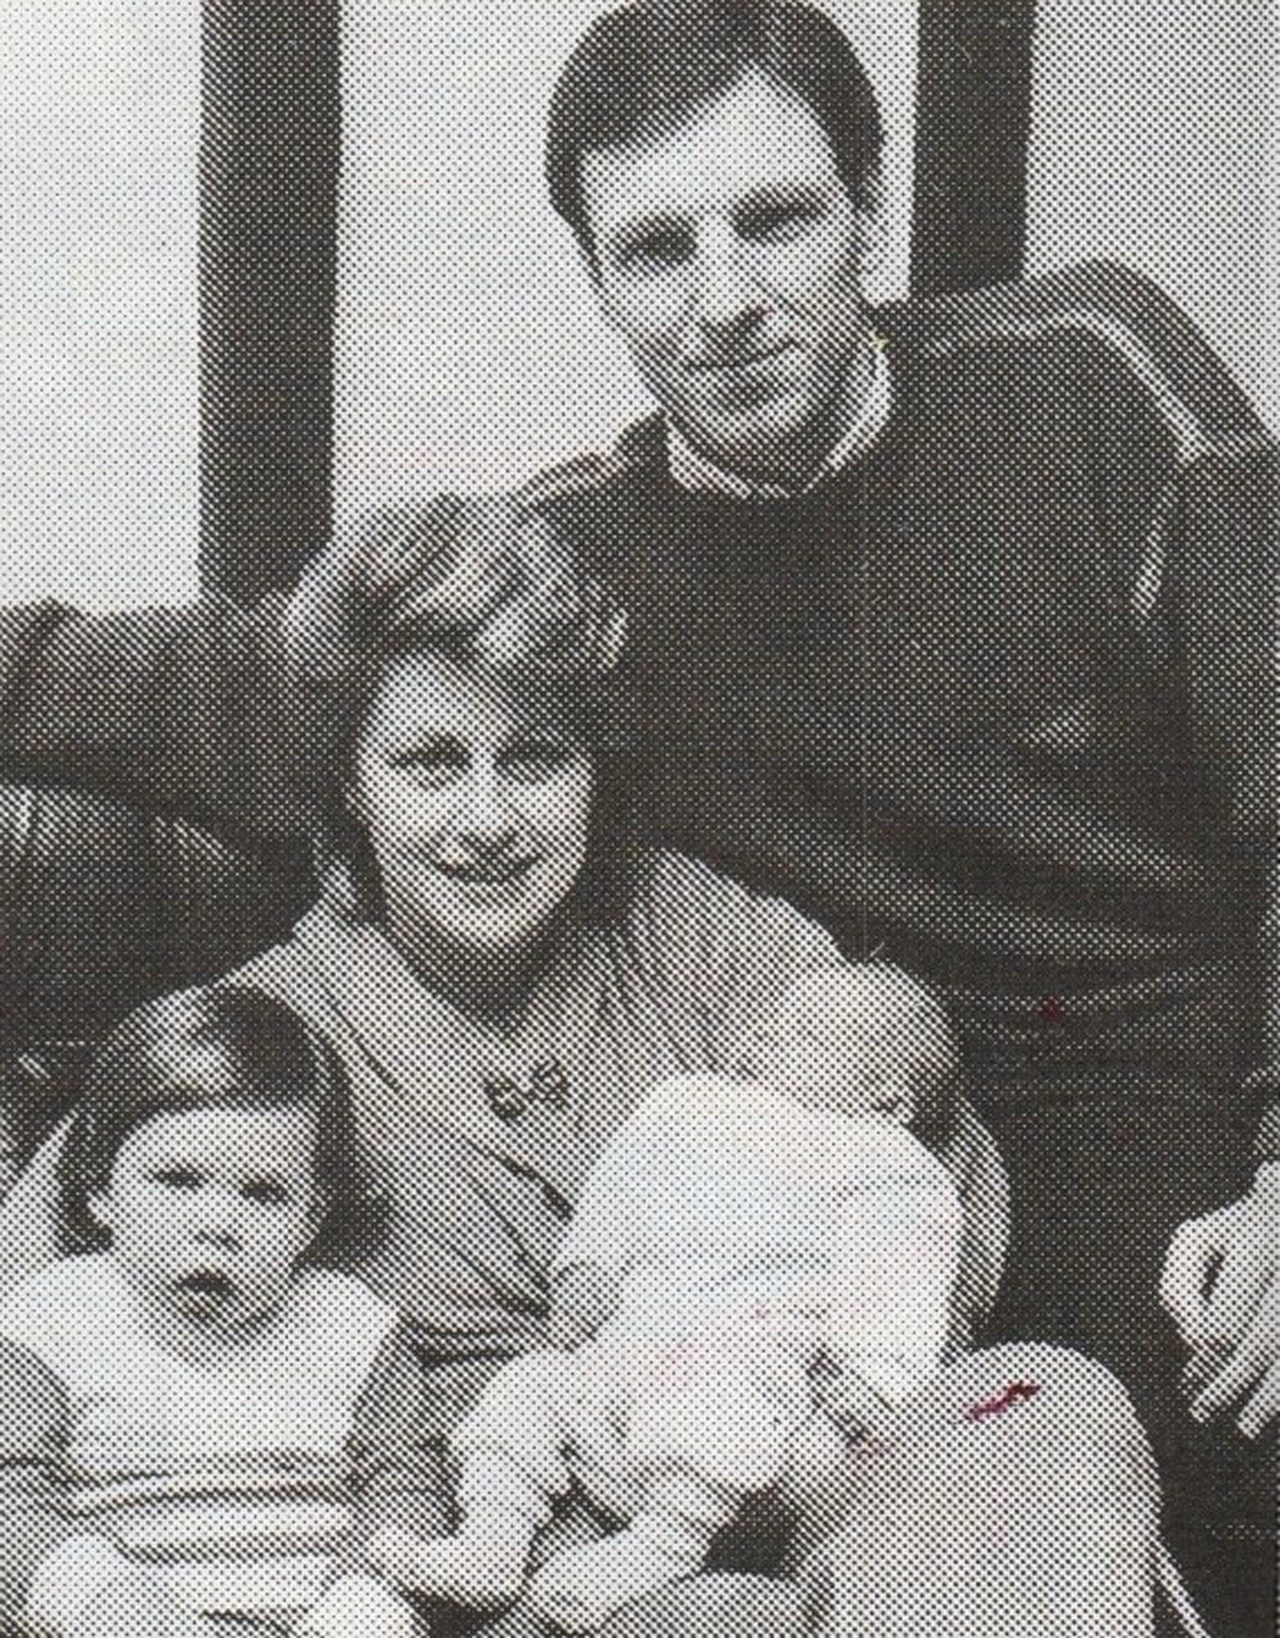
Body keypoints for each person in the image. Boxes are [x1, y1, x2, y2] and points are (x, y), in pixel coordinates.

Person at [0, 498, 1161, 1636]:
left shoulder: (703, 939)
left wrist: (827, 1402)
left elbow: (925, 1149)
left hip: (808, 1451)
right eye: (429, 764)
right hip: (528, 1546)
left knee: (1052, 1403)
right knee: (722, 1623)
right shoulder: (266, 1035)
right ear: (349, 786)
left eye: (535, 757)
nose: (488, 818)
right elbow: (49, 1273)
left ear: (593, 771)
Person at [365, 963, 963, 1633]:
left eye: (805, 1034)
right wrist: (589, 1262)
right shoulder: (689, 1101)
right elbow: (620, 1183)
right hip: (626, 1354)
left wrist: (876, 1379)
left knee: (731, 1380)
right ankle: (492, 1543)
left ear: (886, 1101)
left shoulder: (884, 1159)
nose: (768, 1032)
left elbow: (901, 1275)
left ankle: (659, 1549)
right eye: (775, 1013)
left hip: (751, 1391)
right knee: (528, 1387)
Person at [0, 985, 437, 1638]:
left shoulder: (351, 1326)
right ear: (100, 1189)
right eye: (176, 1180)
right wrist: (104, 1603)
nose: (216, 1224)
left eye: (264, 1194)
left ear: (311, 1218)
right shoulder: (52, 1319)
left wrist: (365, 1607)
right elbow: (10, 1497)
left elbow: (406, 1484)